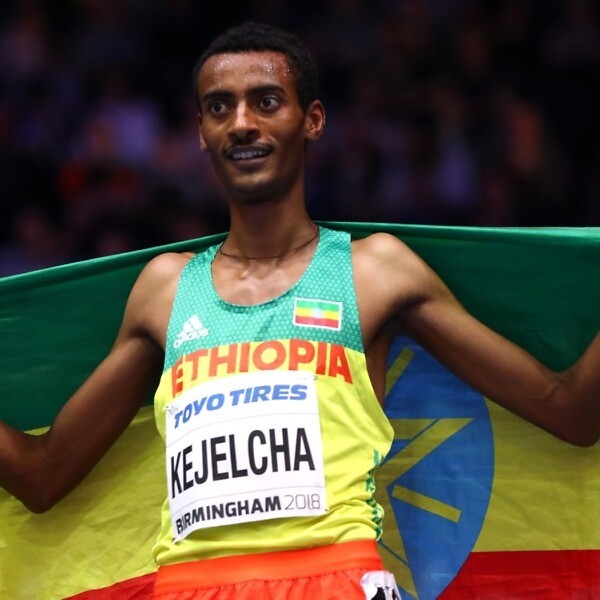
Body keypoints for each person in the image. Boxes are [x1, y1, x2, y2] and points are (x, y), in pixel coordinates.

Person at [0, 22, 598, 600]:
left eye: (265, 102)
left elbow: (568, 410)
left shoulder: (375, 272)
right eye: (219, 107)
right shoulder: (164, 290)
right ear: (200, 132)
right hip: (188, 589)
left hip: (336, 581)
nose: (241, 124)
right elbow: (42, 474)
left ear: (312, 120)